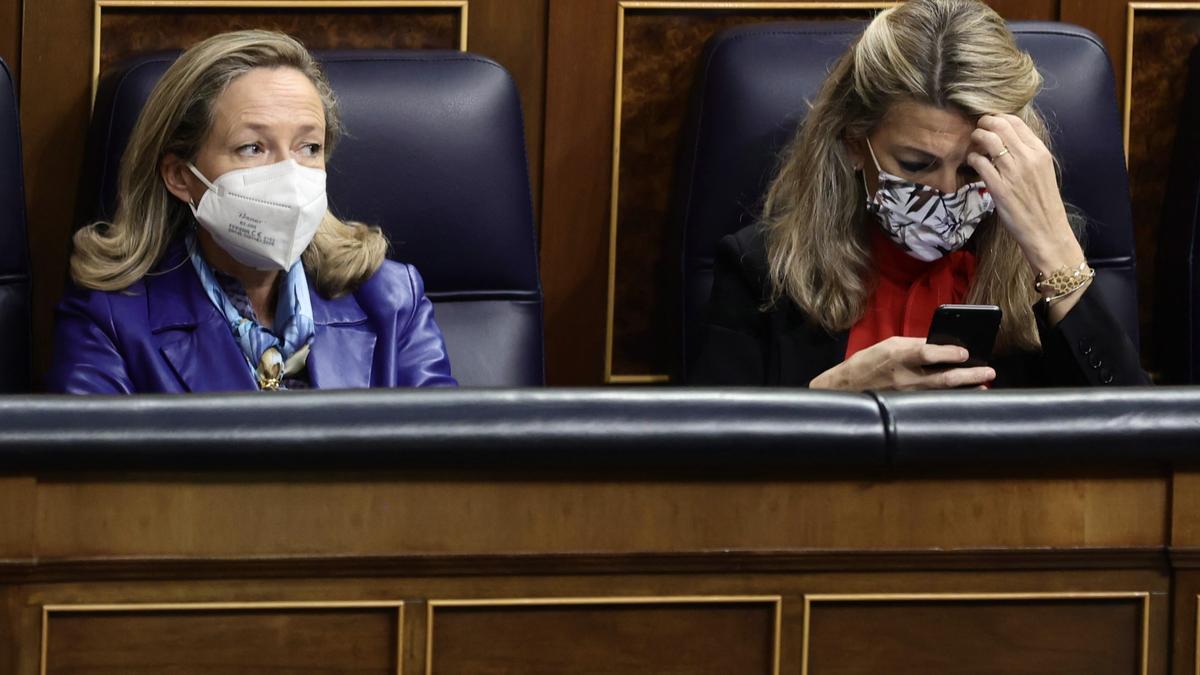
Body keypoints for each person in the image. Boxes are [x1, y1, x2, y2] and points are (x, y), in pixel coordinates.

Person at [689, 0, 1148, 389]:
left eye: (972, 167)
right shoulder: (761, 268)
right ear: (854, 144)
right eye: (916, 165)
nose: (948, 192)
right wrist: (831, 400)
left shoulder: (1048, 265)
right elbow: (708, 466)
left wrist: (1055, 250)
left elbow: (1139, 442)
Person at [47, 30, 456, 393]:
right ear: (179, 176)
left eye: (309, 147)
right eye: (253, 148)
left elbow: (447, 464)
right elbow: (91, 476)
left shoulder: (391, 298)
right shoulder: (111, 319)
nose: (289, 174)